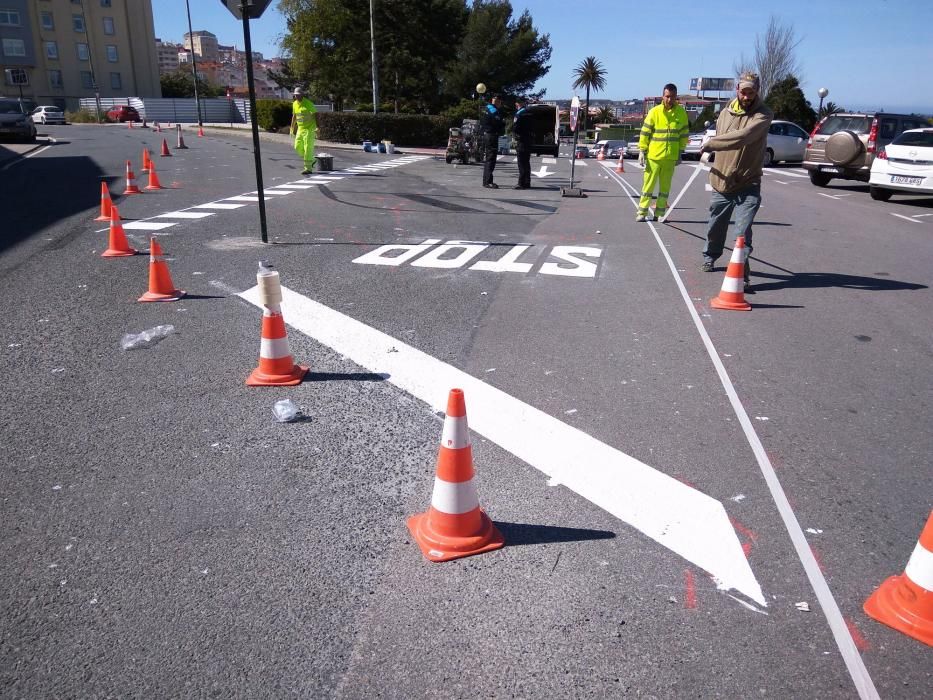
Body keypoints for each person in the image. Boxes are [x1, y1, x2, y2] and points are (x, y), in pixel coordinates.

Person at [698, 72, 773, 291]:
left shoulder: (763, 114)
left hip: (748, 183)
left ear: (757, 91)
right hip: (722, 182)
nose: (747, 96)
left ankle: (742, 275)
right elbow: (722, 138)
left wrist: (712, 144)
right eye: (743, 92)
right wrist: (711, 151)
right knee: (715, 226)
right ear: (737, 90)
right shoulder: (725, 113)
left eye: (751, 92)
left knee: (742, 233)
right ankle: (710, 256)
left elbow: (743, 137)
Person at [636, 83, 689, 222]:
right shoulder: (655, 112)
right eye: (667, 96)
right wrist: (642, 150)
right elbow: (645, 132)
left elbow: (684, 134)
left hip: (670, 157)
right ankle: (642, 212)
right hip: (654, 156)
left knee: (665, 188)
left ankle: (659, 214)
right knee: (648, 187)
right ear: (662, 96)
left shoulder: (681, 113)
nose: (669, 99)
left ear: (676, 97)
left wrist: (680, 152)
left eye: (672, 97)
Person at [289, 86, 317, 175]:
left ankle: (308, 168)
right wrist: (292, 127)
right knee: (297, 146)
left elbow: (316, 115)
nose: (297, 96)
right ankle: (312, 160)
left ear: (302, 95)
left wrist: (318, 127)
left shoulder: (308, 103)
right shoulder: (294, 104)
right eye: (295, 95)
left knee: (307, 148)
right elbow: (294, 116)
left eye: (298, 95)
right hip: (300, 129)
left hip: (309, 129)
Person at [479, 94, 505, 189]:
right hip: (491, 135)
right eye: (499, 102)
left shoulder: (486, 108)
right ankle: (488, 182)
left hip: (486, 134)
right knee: (491, 159)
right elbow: (499, 122)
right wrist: (502, 123)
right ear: (498, 101)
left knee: (488, 159)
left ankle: (485, 181)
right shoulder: (494, 110)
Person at [512, 98, 534, 189]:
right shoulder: (530, 112)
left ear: (518, 104)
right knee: (526, 162)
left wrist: (515, 135)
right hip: (529, 139)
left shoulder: (519, 114)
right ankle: (527, 182)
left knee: (521, 162)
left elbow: (515, 127)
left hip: (521, 139)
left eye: (516, 104)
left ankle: (521, 183)